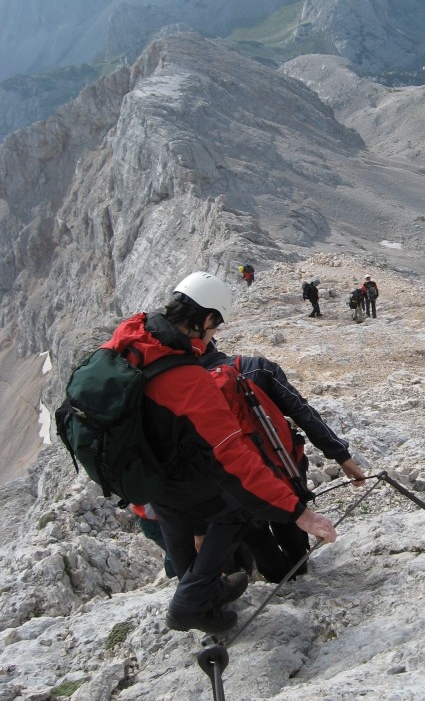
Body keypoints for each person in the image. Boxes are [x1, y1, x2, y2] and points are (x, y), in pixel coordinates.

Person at [100, 271, 350, 633]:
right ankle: (189, 604)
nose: (213, 336)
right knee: (234, 510)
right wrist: (298, 512)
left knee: (176, 521)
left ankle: (205, 601)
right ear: (204, 320)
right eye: (214, 327)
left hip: (147, 473)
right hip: (179, 471)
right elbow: (232, 454)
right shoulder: (188, 379)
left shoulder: (135, 337)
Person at [200, 341, 365, 582]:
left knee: (257, 538)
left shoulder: (192, 391)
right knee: (293, 532)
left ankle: (273, 577)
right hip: (285, 472)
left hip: (241, 484)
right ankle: (298, 574)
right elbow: (302, 411)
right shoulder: (257, 367)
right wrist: (342, 456)